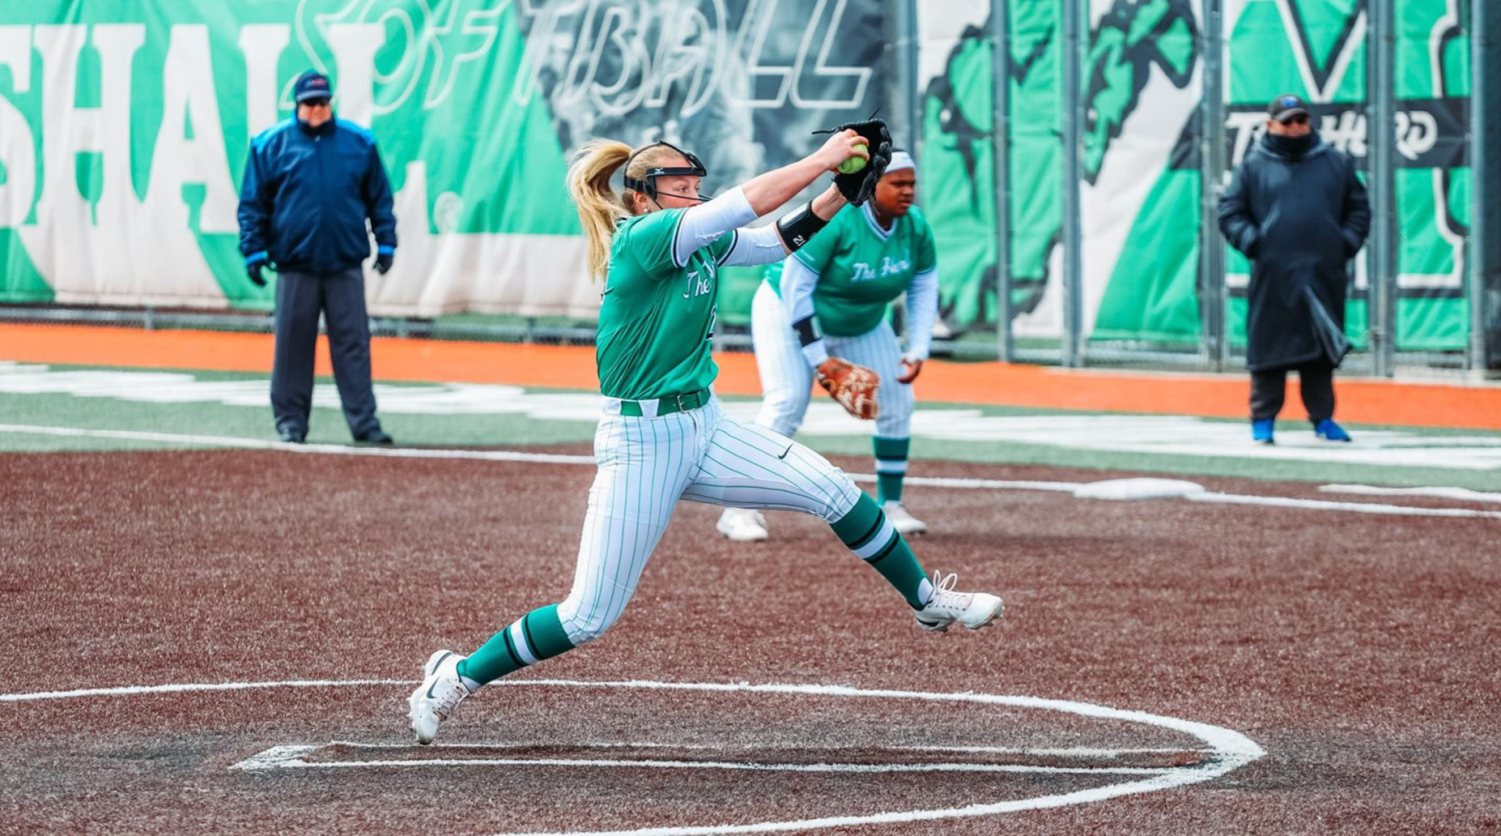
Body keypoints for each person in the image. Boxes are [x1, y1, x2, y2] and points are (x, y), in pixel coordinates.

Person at [406, 125, 1004, 745]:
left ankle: (926, 598)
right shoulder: (643, 235)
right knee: (587, 616)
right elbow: (745, 205)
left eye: (695, 186)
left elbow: (777, 242)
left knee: (834, 489)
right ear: (642, 197)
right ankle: (457, 677)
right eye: (678, 187)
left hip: (705, 424)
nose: (692, 196)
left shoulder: (698, 240)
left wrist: (839, 194)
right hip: (642, 443)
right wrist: (823, 159)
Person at [717, 151, 938, 542]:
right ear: (872, 188)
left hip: (862, 321)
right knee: (786, 403)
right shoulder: (842, 220)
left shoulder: (915, 227)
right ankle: (739, 510)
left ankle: (892, 505)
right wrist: (820, 361)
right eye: (897, 183)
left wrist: (918, 347)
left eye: (911, 184)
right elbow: (795, 288)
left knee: (898, 401)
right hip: (787, 310)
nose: (907, 191)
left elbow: (923, 283)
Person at [237, 70, 397, 445]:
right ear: (297, 105)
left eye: (322, 101)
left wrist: (385, 242)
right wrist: (253, 249)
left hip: (344, 265)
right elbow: (253, 204)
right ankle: (291, 422)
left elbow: (380, 199)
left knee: (353, 346)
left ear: (331, 102)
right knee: (292, 347)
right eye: (309, 102)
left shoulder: (359, 143)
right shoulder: (269, 145)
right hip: (295, 266)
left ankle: (364, 423)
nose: (316, 108)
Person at [1218, 93, 1370, 445]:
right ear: (1271, 125)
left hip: (1322, 273)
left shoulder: (1335, 163)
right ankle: (1263, 421)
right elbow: (1230, 212)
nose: (1295, 127)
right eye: (1287, 121)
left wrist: (1343, 243)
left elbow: (1359, 208)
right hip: (1273, 274)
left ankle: (1323, 419)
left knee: (1320, 352)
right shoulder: (1254, 165)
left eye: (1301, 120)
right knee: (1269, 351)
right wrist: (1255, 243)